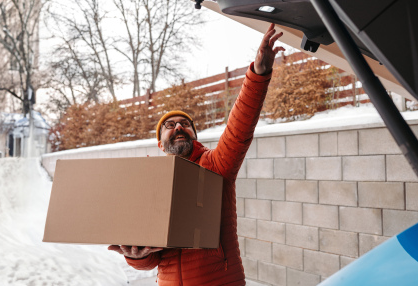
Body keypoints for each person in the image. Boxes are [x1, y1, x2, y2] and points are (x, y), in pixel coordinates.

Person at [108, 23, 285, 285]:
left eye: (185, 124)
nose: (178, 126)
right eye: (170, 125)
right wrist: (137, 255)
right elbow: (153, 259)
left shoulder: (215, 165)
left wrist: (258, 74)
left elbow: (239, 129)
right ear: (160, 144)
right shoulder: (151, 184)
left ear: (194, 136)